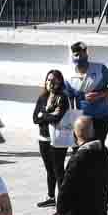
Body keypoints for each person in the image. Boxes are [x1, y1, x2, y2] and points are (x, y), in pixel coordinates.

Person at [66, 41, 108, 145]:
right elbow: (69, 97)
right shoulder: (69, 75)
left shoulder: (100, 69)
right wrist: (72, 118)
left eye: (82, 53)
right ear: (72, 56)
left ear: (86, 54)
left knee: (98, 145)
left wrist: (100, 94)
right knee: (83, 147)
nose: (79, 56)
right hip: (82, 118)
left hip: (102, 116)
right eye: (76, 54)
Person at [33, 69, 71, 207]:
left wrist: (43, 115)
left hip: (58, 139)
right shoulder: (42, 97)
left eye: (54, 80)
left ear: (60, 81)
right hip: (43, 138)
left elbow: (57, 118)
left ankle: (63, 202)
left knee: (58, 170)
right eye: (48, 79)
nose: (51, 82)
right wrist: (45, 116)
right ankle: (50, 197)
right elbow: (34, 118)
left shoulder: (62, 97)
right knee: (49, 170)